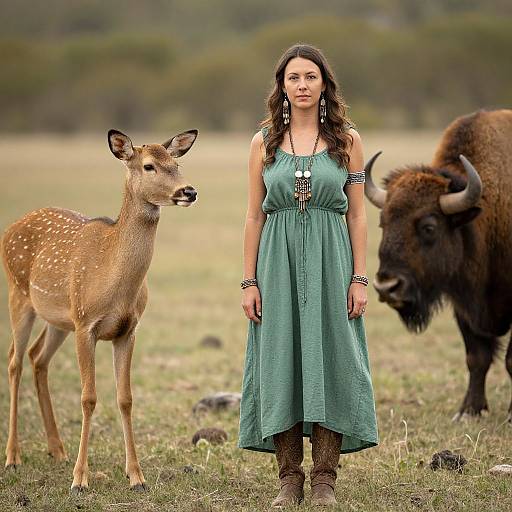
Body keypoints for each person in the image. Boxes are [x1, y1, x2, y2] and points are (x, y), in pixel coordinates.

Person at [237, 43, 378, 507]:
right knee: (280, 358)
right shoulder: (264, 143)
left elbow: (357, 216)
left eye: (310, 77)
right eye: (293, 78)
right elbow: (254, 216)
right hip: (276, 262)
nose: (301, 85)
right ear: (281, 86)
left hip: (332, 258)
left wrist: (360, 278)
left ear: (324, 86)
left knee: (332, 357)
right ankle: (288, 478)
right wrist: (248, 281)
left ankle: (324, 479)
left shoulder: (347, 141)